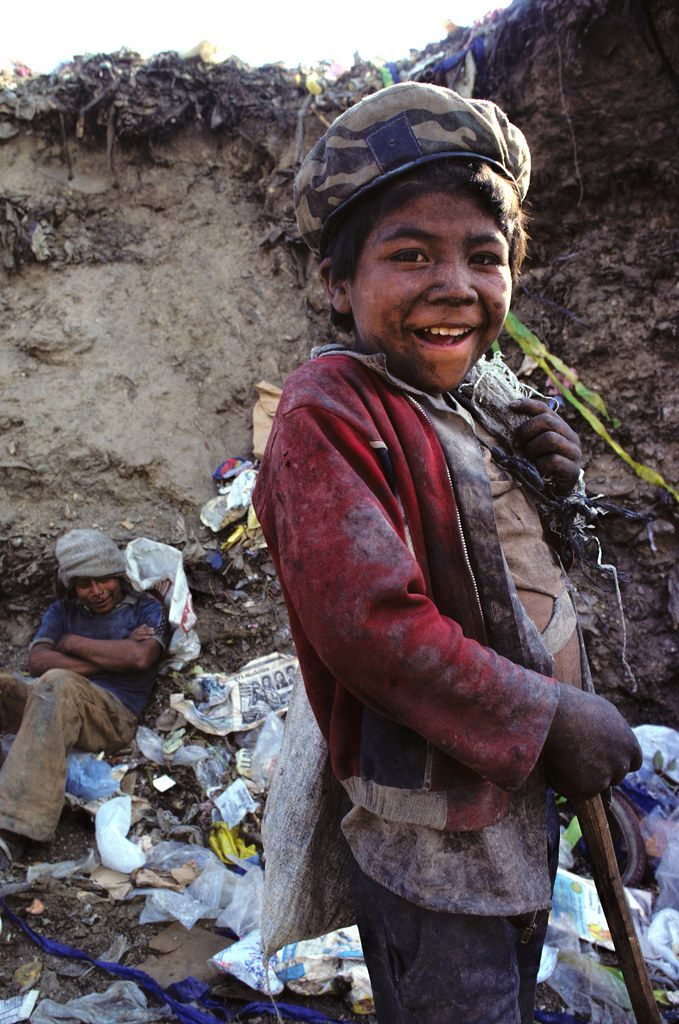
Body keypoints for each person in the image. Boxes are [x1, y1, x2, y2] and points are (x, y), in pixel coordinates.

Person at [252, 82, 643, 1024]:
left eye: (484, 256)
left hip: (510, 803)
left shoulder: (477, 400)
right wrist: (551, 721)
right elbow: (370, 626)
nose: (455, 285)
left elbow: (512, 577)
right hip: (431, 832)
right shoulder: (327, 415)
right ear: (338, 284)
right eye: (409, 254)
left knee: (507, 983)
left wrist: (546, 473)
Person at [0, 528, 170, 869]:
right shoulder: (62, 612)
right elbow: (37, 662)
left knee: (58, 683)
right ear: (72, 587)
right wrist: (113, 654)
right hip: (53, 697)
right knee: (11, 684)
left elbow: (139, 658)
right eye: (84, 584)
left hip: (112, 715)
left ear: (118, 576)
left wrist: (71, 644)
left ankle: (15, 830)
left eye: (103, 580)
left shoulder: (146, 609)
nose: (96, 592)